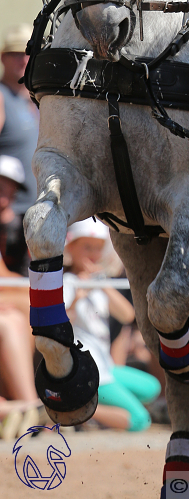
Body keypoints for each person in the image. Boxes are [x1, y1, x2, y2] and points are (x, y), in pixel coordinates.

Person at [64, 219, 161, 431]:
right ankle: (74, 408)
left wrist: (99, 282)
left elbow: (127, 315)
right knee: (140, 421)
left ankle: (86, 406)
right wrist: (78, 297)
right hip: (89, 370)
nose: (93, 253)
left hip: (105, 367)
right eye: (87, 247)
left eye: (97, 248)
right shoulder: (67, 282)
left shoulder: (98, 282)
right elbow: (60, 323)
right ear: (71, 248)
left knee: (152, 388)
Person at [0, 154, 40, 438]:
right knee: (13, 317)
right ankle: (31, 406)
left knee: (21, 313)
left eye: (8, 186)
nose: (5, 191)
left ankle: (28, 406)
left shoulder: (24, 225)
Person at [0, 25, 39, 274]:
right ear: (3, 58)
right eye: (16, 53)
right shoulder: (1, 97)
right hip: (9, 217)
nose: (23, 59)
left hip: (36, 214)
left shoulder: (36, 99)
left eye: (28, 53)